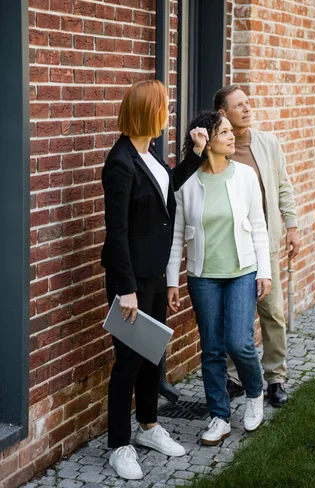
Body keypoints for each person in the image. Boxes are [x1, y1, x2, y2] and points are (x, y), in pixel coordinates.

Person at [101, 79, 208, 480]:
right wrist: (125, 288)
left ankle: (148, 426)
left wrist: (195, 155)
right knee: (128, 361)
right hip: (129, 279)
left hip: (155, 274)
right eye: (163, 106)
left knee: (153, 354)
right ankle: (118, 445)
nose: (167, 112)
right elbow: (118, 232)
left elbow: (169, 186)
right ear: (149, 111)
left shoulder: (150, 155)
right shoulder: (120, 162)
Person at [167, 111, 272, 446]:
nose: (232, 136)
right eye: (224, 132)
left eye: (231, 131)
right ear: (207, 140)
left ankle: (255, 393)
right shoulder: (188, 182)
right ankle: (219, 415)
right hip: (203, 276)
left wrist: (265, 271)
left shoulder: (245, 175)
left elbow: (258, 225)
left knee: (238, 343)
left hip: (242, 271)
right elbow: (177, 234)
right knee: (211, 348)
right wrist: (173, 281)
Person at [213, 86, 299, 408]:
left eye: (248, 103)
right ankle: (235, 379)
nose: (247, 109)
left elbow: (283, 186)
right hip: (231, 247)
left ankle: (275, 379)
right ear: (224, 113)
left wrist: (291, 226)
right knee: (235, 318)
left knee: (272, 313)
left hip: (267, 245)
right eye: (239, 105)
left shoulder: (268, 143)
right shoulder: (219, 147)